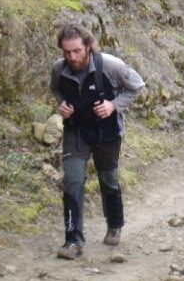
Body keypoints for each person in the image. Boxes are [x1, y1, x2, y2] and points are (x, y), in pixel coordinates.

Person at [50, 23, 145, 259]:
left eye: (77, 51)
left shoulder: (111, 66)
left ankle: (114, 224)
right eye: (67, 52)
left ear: (89, 46)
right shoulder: (58, 69)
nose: (72, 57)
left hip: (107, 133)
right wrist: (60, 106)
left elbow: (137, 86)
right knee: (72, 181)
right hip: (76, 131)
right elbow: (56, 90)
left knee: (108, 180)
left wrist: (113, 105)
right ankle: (73, 240)